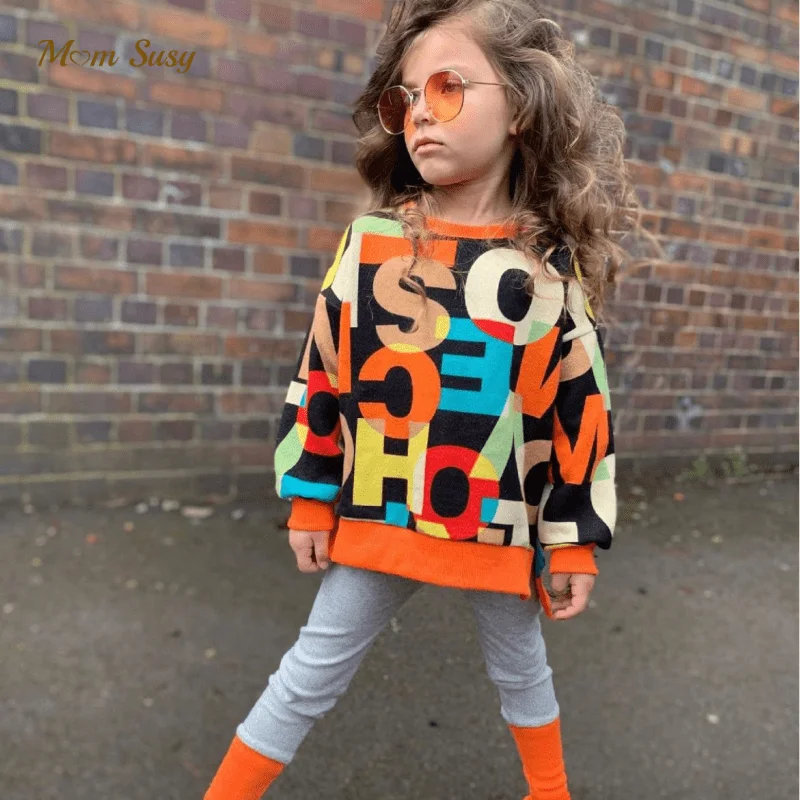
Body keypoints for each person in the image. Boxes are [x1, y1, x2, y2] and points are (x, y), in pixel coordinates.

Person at [204, 0, 647, 796]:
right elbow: (322, 373)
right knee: (307, 673)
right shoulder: (370, 244)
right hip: (380, 513)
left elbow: (580, 413)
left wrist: (572, 540)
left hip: (497, 525)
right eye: (404, 98)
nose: (419, 115)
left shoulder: (548, 271)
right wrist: (308, 497)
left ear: (520, 105)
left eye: (448, 88)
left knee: (523, 676)